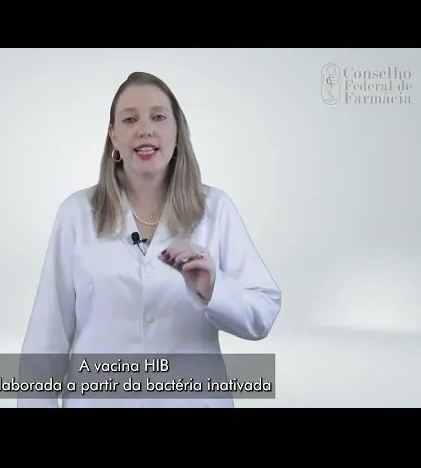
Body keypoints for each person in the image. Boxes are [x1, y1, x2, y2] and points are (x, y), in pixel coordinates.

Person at [17, 72, 281, 408]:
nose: (145, 129)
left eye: (158, 117)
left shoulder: (215, 210)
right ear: (113, 136)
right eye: (130, 119)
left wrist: (214, 290)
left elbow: (262, 314)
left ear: (177, 132)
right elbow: (47, 336)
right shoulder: (76, 214)